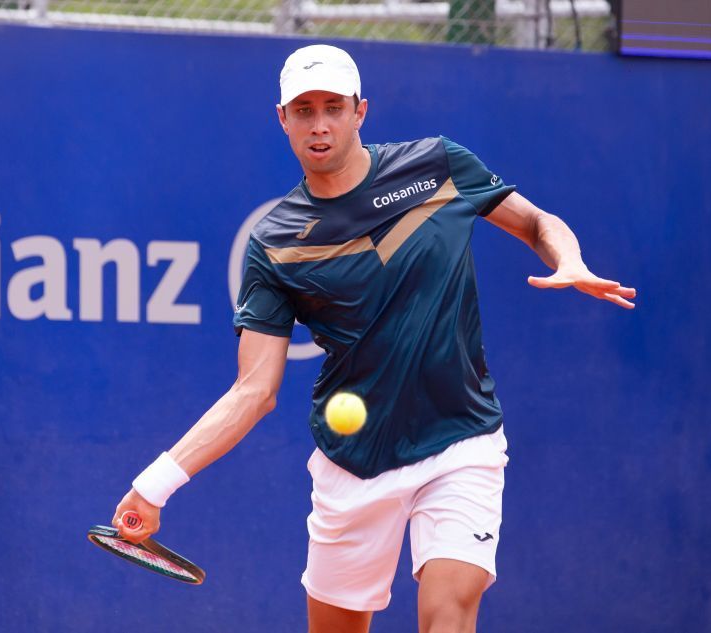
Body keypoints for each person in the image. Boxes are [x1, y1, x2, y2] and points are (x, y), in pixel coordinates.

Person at [112, 44, 636, 633]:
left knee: (448, 615)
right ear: (282, 119)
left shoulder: (437, 165)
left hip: (461, 440)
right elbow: (253, 391)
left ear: (360, 111)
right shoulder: (274, 243)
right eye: (304, 110)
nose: (319, 125)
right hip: (353, 463)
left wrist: (569, 259)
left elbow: (537, 222)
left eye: (333, 108)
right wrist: (154, 485)